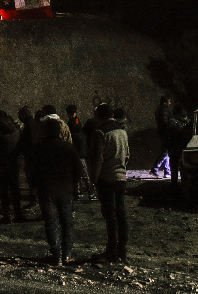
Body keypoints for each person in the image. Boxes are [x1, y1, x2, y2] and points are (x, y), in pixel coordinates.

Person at [32, 119, 83, 266]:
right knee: (66, 222)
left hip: (46, 190)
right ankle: (67, 254)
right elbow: (78, 170)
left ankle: (56, 255)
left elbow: (33, 171)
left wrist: (35, 186)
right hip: (66, 189)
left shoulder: (38, 148)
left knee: (50, 222)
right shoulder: (68, 147)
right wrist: (74, 186)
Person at [87, 104, 129, 263]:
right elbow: (127, 155)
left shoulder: (100, 133)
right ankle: (122, 251)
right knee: (121, 215)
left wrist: (94, 179)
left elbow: (97, 159)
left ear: (99, 116)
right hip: (121, 177)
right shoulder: (122, 130)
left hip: (107, 179)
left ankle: (111, 251)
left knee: (110, 217)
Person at [0, 107, 23, 222]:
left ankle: (7, 215)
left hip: (1, 165)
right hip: (14, 163)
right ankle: (18, 213)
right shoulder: (16, 130)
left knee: (3, 191)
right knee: (15, 189)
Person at [151, 96, 173, 178]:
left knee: (165, 152)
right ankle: (154, 169)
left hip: (162, 133)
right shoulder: (163, 110)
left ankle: (167, 171)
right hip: (165, 133)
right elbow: (165, 123)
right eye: (168, 102)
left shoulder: (160, 109)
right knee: (165, 151)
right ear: (165, 102)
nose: (170, 103)